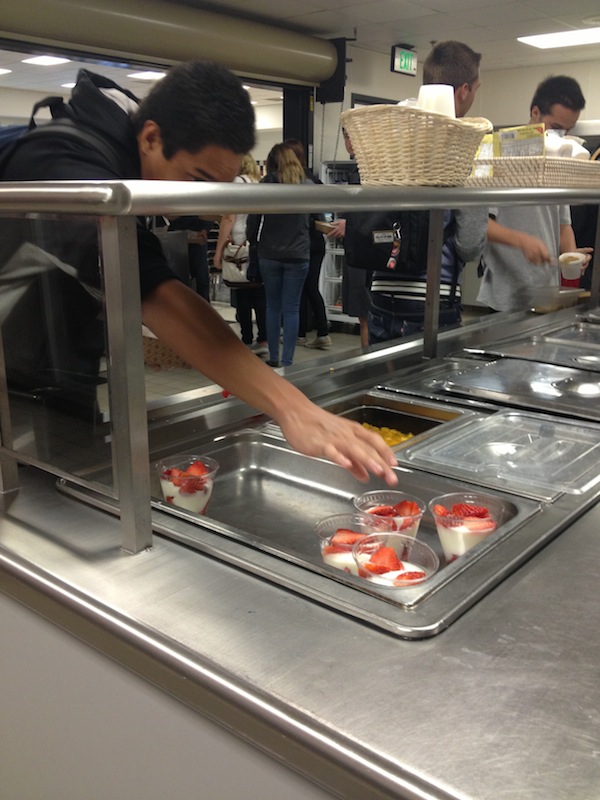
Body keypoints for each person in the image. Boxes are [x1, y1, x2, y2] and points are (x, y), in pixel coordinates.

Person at [0, 61, 398, 486]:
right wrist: (293, 409)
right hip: (15, 381)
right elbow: (154, 292)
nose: (195, 200)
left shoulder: (131, 146)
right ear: (151, 137)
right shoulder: (63, 162)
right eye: (196, 179)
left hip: (56, 369)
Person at [477, 75, 592, 312]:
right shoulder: (497, 155)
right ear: (535, 113)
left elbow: (562, 225)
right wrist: (522, 241)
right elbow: (479, 224)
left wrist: (571, 255)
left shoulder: (555, 162)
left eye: (567, 132)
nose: (561, 139)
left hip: (546, 295)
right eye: (556, 129)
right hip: (505, 298)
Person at [246, 143, 314, 368]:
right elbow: (317, 218)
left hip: (270, 252)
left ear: (273, 162)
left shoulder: (268, 183)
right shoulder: (307, 185)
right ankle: (288, 360)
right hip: (298, 253)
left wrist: (253, 241)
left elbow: (254, 218)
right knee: (292, 308)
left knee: (272, 307)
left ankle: (274, 358)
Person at [213, 153, 268, 355]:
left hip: (238, 245)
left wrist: (218, 252)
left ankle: (246, 339)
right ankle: (264, 339)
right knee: (260, 296)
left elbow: (228, 218)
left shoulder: (236, 183)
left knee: (241, 293)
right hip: (257, 244)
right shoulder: (259, 183)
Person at [283, 138, 331, 349]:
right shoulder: (314, 181)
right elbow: (323, 214)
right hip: (317, 242)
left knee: (305, 288)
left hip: (302, 243)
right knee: (307, 288)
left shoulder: (292, 183)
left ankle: (319, 332)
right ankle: (307, 333)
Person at [326, 129, 372, 348]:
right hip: (357, 250)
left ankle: (370, 362)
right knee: (363, 315)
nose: (349, 142)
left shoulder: (373, 170)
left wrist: (350, 224)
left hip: (371, 253)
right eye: (346, 136)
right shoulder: (358, 171)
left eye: (353, 136)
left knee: (368, 313)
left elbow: (378, 214)